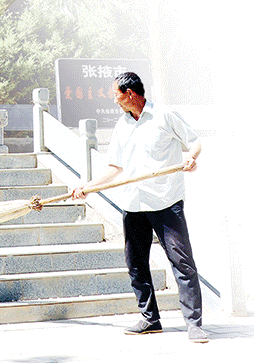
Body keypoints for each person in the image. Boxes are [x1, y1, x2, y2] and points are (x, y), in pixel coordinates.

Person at [71, 71, 208, 344]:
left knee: (181, 262)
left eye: (116, 95)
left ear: (130, 94)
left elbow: (194, 142)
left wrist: (191, 158)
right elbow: (115, 167)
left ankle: (194, 324)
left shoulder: (164, 115)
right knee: (136, 265)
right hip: (134, 204)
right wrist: (88, 187)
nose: (115, 101)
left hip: (166, 201)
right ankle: (150, 319)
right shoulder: (122, 126)